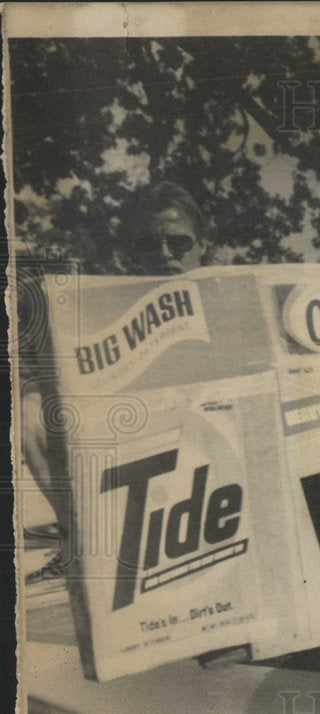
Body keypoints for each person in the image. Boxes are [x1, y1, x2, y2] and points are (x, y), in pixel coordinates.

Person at [23, 182, 211, 584]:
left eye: (178, 243)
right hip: (138, 450)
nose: (165, 255)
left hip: (217, 451)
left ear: (202, 246)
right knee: (30, 410)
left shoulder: (233, 296)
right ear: (133, 253)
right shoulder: (103, 309)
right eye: (150, 244)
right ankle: (80, 543)